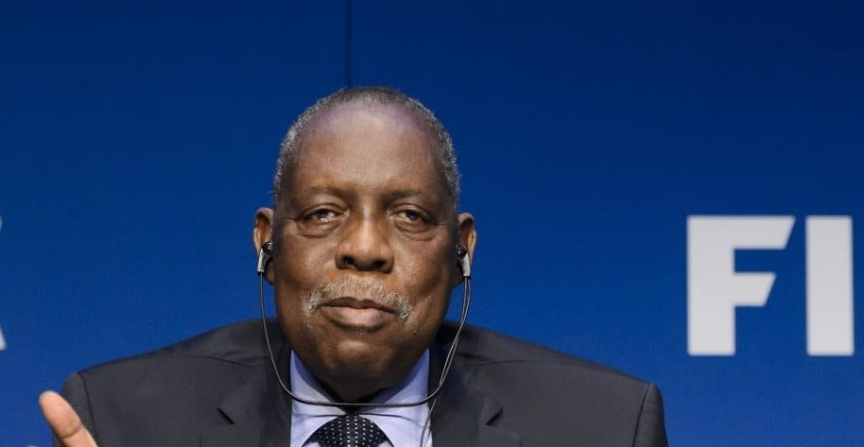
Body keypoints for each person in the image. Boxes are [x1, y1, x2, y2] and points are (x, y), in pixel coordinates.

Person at [39, 86, 668, 446]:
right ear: (266, 244)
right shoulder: (122, 423)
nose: (364, 248)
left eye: (410, 216)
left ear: (461, 252)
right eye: (321, 213)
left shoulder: (604, 430)